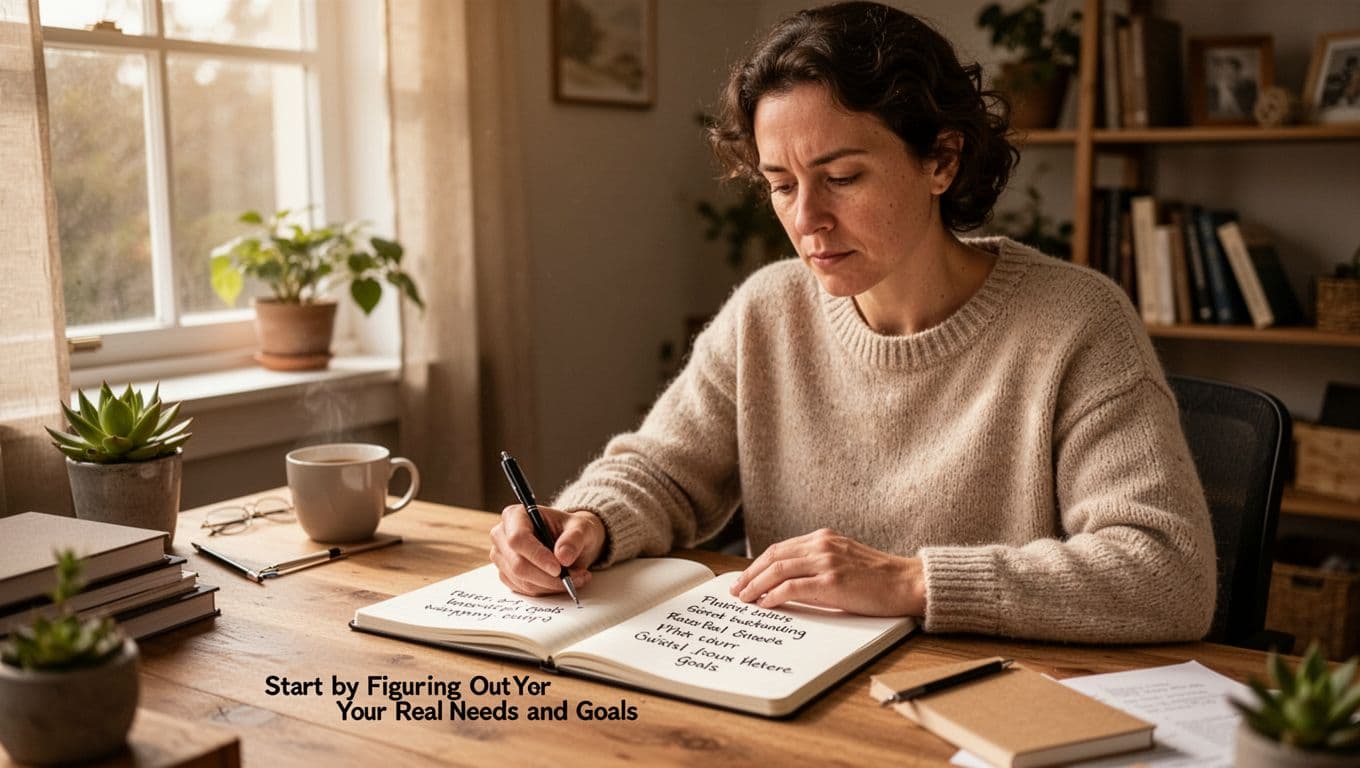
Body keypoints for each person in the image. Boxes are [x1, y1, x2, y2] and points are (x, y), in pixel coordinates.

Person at [490, 1, 1215, 644]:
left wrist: (910, 583)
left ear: (941, 160)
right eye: (780, 185)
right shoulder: (768, 311)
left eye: (841, 178)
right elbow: (662, 472)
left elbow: (1167, 574)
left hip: (985, 712)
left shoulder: (1077, 323)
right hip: (791, 696)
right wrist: (589, 521)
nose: (806, 220)